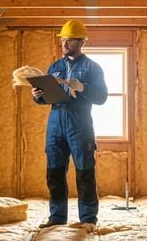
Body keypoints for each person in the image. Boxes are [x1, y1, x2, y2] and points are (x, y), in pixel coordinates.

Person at [31, 20, 107, 228]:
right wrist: (38, 95)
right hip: (55, 122)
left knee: (85, 172)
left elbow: (102, 97)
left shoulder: (92, 68)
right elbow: (46, 98)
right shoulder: (55, 67)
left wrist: (84, 87)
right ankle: (57, 217)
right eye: (63, 40)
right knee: (54, 172)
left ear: (81, 42)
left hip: (79, 122)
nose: (64, 44)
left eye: (70, 40)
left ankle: (88, 219)